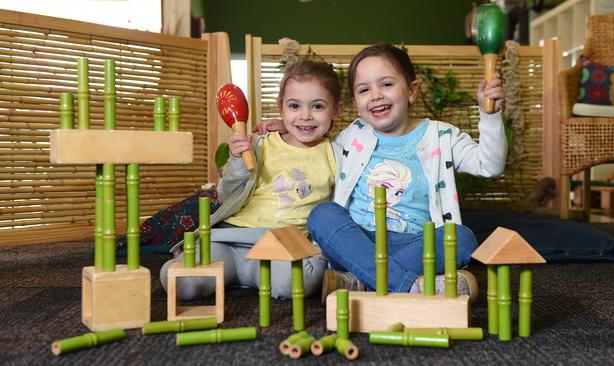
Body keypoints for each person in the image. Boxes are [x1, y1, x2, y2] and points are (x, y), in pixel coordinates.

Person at [306, 43, 506, 302]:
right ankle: (409, 285)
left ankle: (361, 281)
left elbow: (489, 165)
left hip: (415, 244)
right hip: (357, 241)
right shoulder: (352, 135)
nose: (376, 95)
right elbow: (311, 148)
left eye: (387, 84)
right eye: (364, 89)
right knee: (322, 215)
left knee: (462, 237)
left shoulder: (441, 136)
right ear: (356, 103)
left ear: (412, 91)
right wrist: (284, 130)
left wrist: (490, 115)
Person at [160, 60, 343, 300]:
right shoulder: (261, 143)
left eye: (318, 106)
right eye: (294, 106)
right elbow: (226, 193)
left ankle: (308, 264)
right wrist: (237, 160)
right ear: (281, 107)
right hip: (231, 239)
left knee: (296, 283)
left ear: (336, 110)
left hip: (282, 246)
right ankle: (190, 265)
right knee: (185, 284)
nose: (305, 116)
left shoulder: (337, 153)